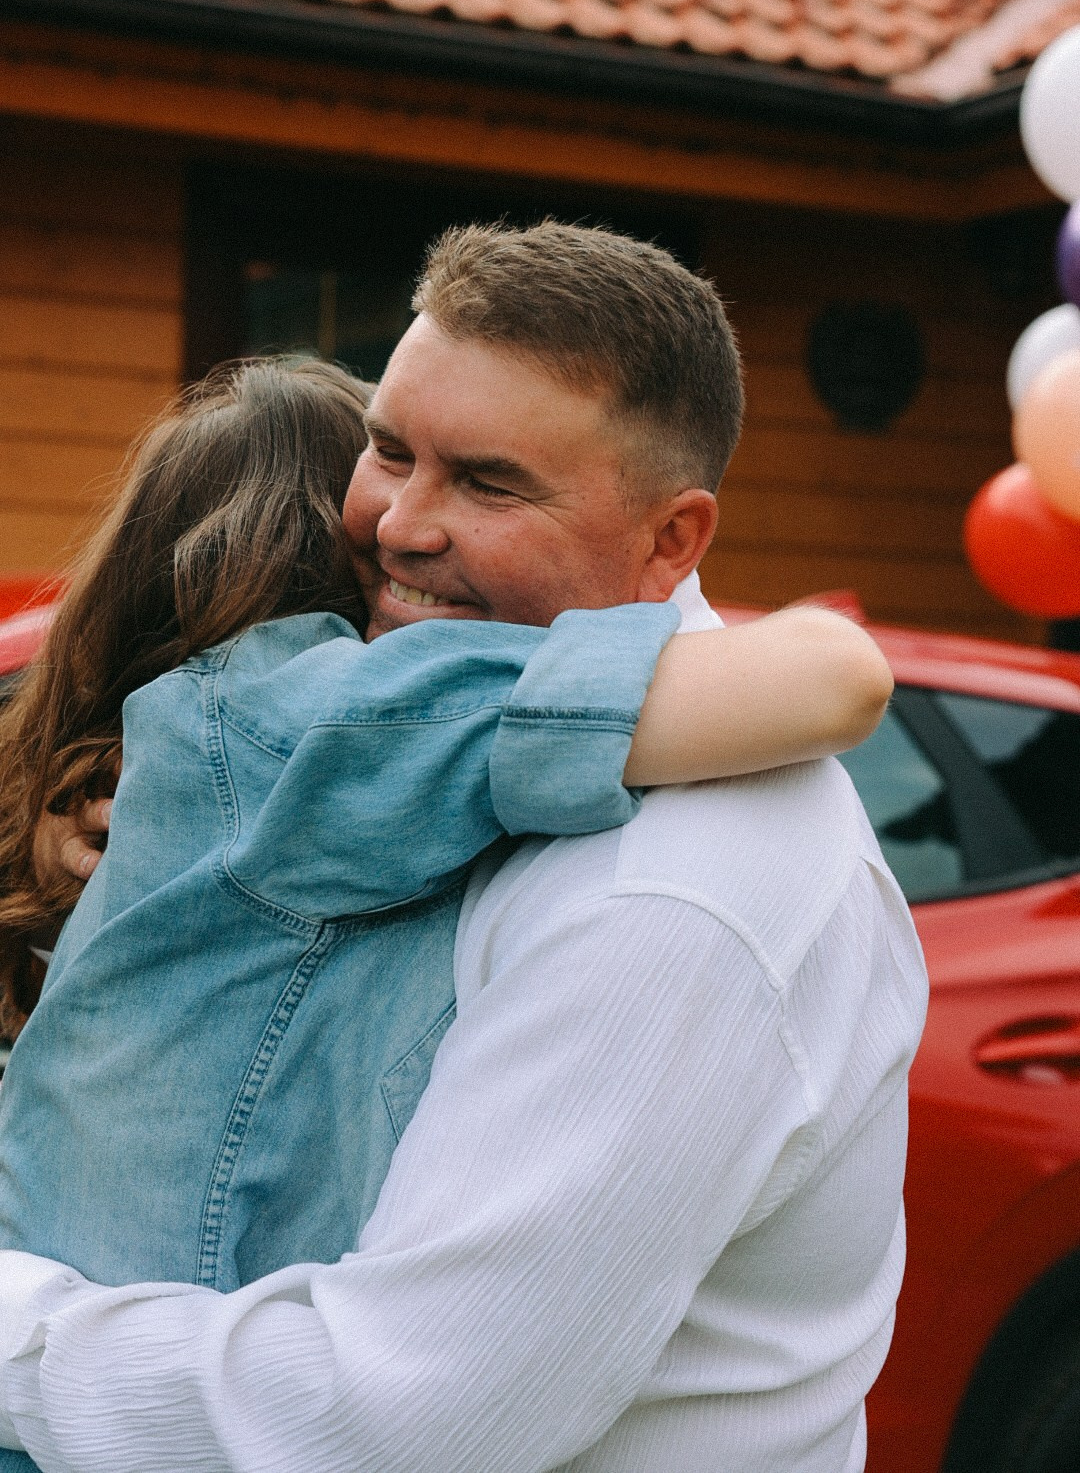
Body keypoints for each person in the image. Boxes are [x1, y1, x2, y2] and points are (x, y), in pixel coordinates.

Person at [0, 222, 924, 1473]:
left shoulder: (672, 891)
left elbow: (399, 1419)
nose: (397, 524)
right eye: (388, 451)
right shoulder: (441, 728)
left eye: (489, 483)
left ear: (673, 540)